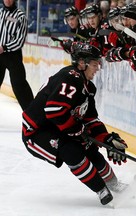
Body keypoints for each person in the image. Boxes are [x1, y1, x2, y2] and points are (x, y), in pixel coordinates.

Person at [22, 42, 128, 205]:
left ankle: (114, 184)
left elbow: (90, 118)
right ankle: (101, 189)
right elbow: (54, 111)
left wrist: (105, 139)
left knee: (91, 150)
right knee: (72, 151)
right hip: (37, 131)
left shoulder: (88, 87)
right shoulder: (70, 78)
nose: (97, 68)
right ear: (81, 63)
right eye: (94, 64)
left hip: (60, 126)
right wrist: (79, 131)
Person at [0, 0, 34, 110]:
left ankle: (33, 115)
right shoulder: (0, 13)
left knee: (19, 86)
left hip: (13, 55)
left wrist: (4, 47)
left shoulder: (20, 16)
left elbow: (20, 41)